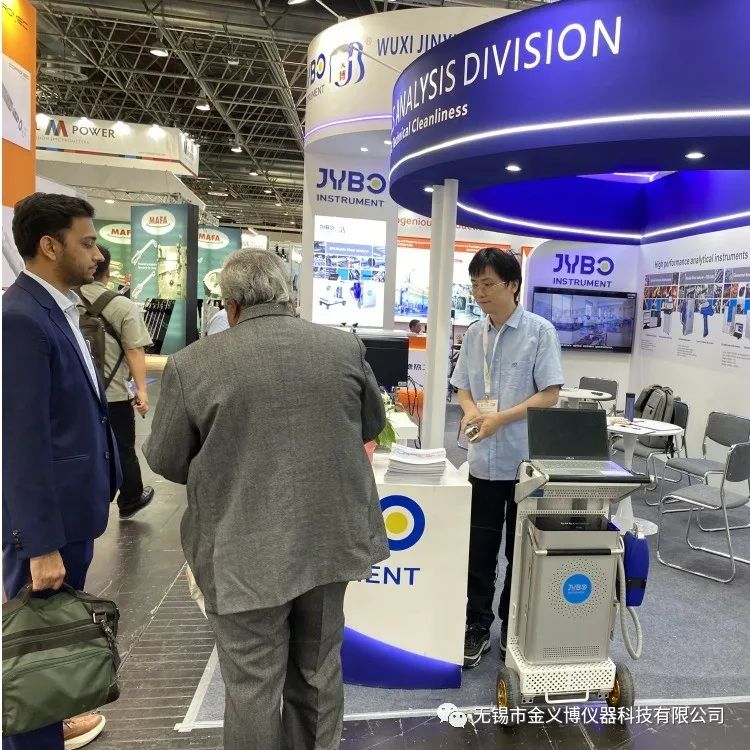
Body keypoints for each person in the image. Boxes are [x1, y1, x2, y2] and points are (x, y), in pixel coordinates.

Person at [143, 249, 388, 750]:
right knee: (318, 670)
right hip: (328, 538)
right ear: (288, 296)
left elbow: (167, 459)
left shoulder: (192, 364)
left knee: (252, 685)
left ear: (230, 306)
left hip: (240, 549)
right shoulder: (342, 347)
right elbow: (369, 424)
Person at [2, 193, 122, 750]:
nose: (97, 254)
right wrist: (41, 543)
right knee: (36, 648)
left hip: (73, 510)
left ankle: (51, 719)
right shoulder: (21, 319)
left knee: (52, 642)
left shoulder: (59, 309)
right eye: (88, 242)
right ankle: (34, 734)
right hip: (48, 525)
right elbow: (20, 441)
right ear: (50, 246)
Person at [450, 248, 563, 669]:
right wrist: (471, 412)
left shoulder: (539, 332)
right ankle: (476, 624)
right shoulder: (474, 333)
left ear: (512, 285)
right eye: (475, 285)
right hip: (482, 463)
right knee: (478, 551)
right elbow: (462, 387)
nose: (480, 293)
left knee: (521, 551)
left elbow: (549, 395)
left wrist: (501, 418)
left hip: (524, 465)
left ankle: (513, 625)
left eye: (488, 284)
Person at [79, 246, 155, 519]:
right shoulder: (122, 306)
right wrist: (141, 390)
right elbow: (134, 350)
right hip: (113, 394)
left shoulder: (64, 300)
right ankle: (130, 499)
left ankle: (81, 502)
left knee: (78, 448)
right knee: (122, 447)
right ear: (107, 271)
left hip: (74, 395)